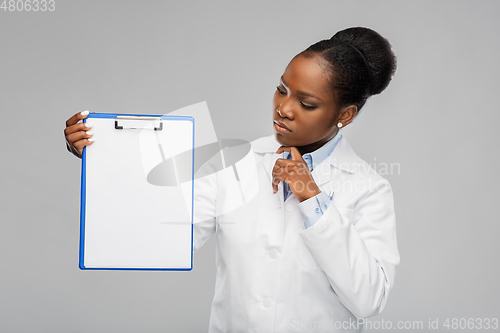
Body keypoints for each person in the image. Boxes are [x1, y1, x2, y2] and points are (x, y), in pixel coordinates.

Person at [64, 27, 400, 333]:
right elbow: (162, 239)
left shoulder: (368, 188)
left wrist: (312, 197)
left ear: (345, 115)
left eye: (306, 103)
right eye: (281, 89)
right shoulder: (234, 164)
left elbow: (368, 300)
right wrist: (106, 160)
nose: (283, 108)